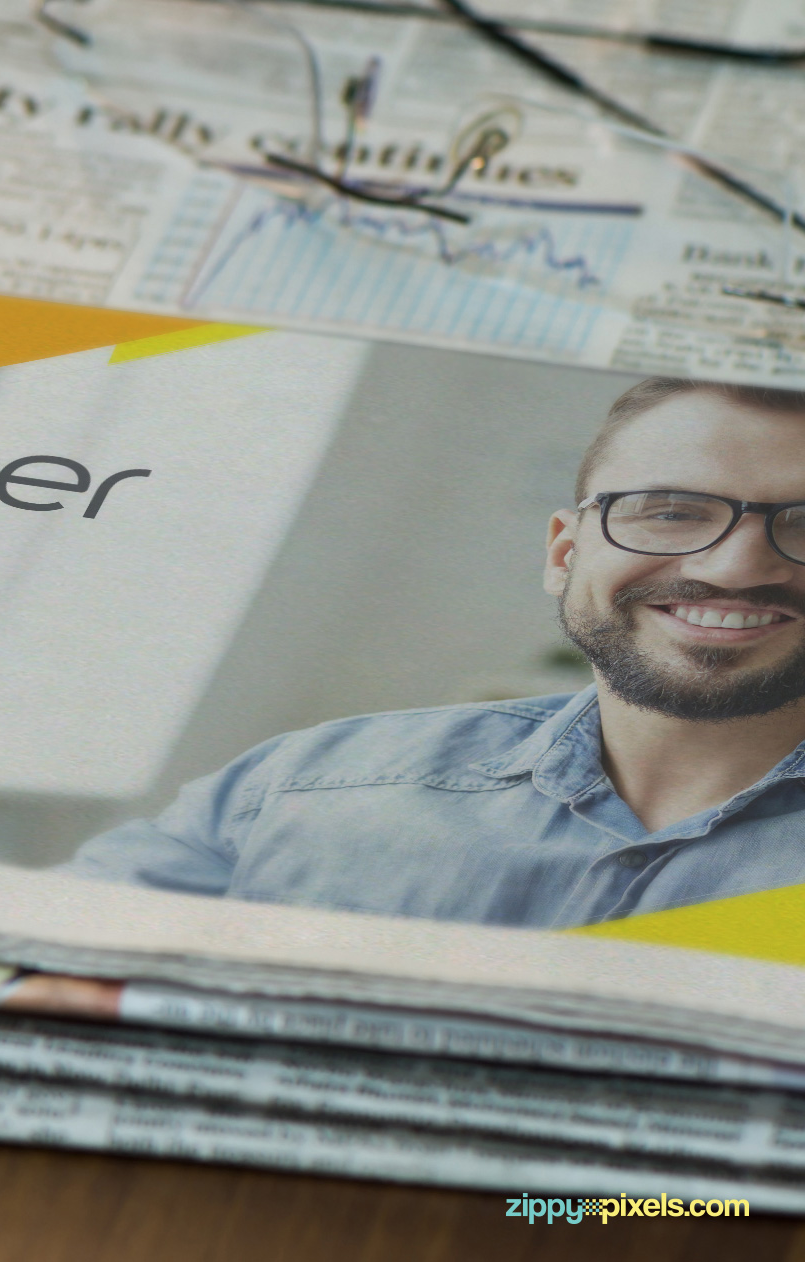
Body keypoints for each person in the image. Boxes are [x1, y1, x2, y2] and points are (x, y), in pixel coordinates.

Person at [63, 377, 805, 928]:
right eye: (670, 512)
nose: (733, 569)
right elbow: (14, 973)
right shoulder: (296, 791)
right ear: (564, 553)